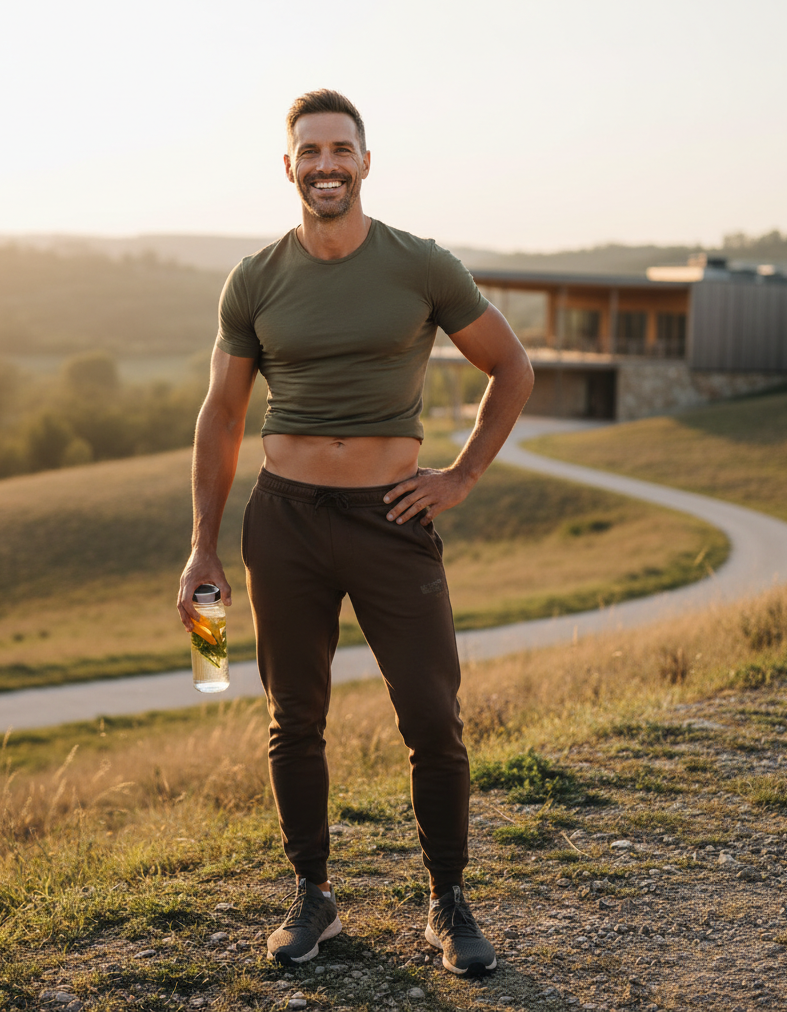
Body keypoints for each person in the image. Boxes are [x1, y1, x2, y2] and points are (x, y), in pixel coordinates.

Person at [177, 89, 533, 977]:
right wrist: (202, 545)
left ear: (365, 163)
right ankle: (313, 897)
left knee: (433, 718)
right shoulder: (254, 279)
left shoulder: (421, 265)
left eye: (342, 150)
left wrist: (459, 477)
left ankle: (447, 900)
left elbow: (512, 366)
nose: (326, 165)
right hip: (285, 522)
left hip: (392, 523)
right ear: (289, 165)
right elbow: (222, 417)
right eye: (311, 151)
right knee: (292, 717)